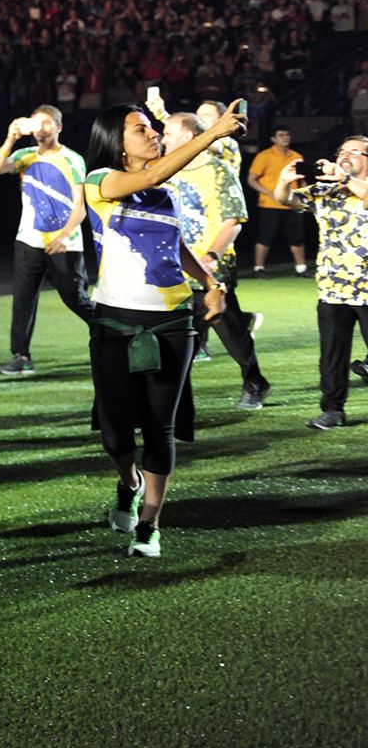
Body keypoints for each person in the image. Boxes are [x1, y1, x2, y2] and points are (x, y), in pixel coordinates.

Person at [84, 102, 243, 558]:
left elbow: (177, 245)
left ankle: (149, 524)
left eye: (153, 128)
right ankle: (128, 482)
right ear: (116, 140)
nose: (153, 133)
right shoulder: (100, 181)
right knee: (115, 433)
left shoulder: (165, 192)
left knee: (160, 426)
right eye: (141, 129)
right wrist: (211, 134)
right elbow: (149, 177)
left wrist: (211, 283)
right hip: (115, 321)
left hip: (173, 319)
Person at [162, 112, 269, 409]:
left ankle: (255, 382)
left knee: (230, 331)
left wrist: (211, 256)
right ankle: (171, 398)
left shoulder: (219, 170)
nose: (162, 137)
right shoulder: (164, 170)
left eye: (168, 132)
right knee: (178, 336)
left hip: (212, 270)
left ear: (187, 136)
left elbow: (234, 220)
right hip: (176, 268)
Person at [0, 105, 94, 376]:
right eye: (36, 123)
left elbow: (81, 206)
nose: (41, 128)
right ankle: (21, 356)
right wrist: (10, 138)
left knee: (75, 298)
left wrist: (65, 235)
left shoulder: (72, 159)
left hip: (64, 242)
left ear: (59, 127)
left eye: (47, 123)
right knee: (23, 300)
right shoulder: (25, 155)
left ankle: (112, 334)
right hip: (29, 240)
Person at [273, 136, 368, 431]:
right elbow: (285, 200)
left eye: (354, 151)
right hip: (332, 287)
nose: (345, 155)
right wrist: (284, 181)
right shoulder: (325, 191)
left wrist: (348, 178)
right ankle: (332, 409)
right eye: (341, 151)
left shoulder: (359, 188)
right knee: (332, 353)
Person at [248, 126, 308, 276]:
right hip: (269, 204)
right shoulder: (264, 156)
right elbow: (251, 179)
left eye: (287, 134)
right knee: (265, 236)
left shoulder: (296, 156)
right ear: (273, 139)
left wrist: (306, 196)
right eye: (281, 135)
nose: (285, 137)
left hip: (292, 203)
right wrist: (268, 193)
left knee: (297, 237)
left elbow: (302, 180)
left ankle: (301, 268)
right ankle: (259, 268)